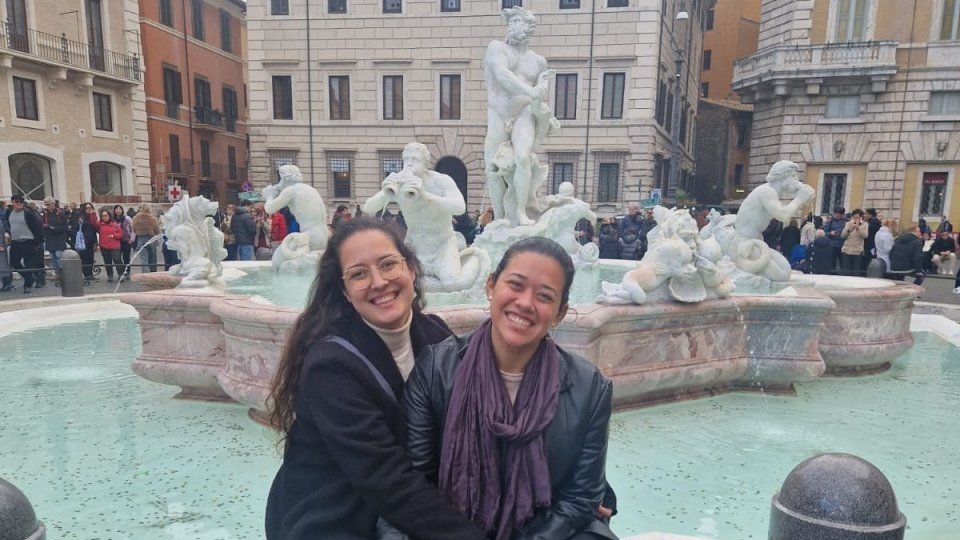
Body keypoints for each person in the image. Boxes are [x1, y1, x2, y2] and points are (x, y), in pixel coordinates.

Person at [264, 217, 487, 540]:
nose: (379, 282)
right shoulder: (330, 366)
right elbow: (385, 478)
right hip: (335, 516)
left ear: (411, 268)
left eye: (388, 264)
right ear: (344, 291)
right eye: (359, 274)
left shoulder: (435, 334)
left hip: (404, 506)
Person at [398, 237, 617, 540]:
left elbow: (579, 499)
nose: (525, 303)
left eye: (544, 296)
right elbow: (415, 480)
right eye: (515, 285)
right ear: (491, 285)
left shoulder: (590, 387)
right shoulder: (436, 369)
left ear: (560, 313)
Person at [483, 7, 558, 226]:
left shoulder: (538, 62)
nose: (512, 26)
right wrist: (532, 91)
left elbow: (538, 97)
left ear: (529, 27)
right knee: (493, 167)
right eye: (511, 22)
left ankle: (520, 212)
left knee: (523, 157)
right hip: (498, 112)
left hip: (524, 111)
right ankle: (499, 217)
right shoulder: (497, 48)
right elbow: (502, 75)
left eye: (517, 21)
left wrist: (544, 113)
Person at [5, 194, 44, 293]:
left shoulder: (28, 213)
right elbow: (8, 225)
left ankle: (27, 285)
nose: (19, 204)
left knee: (29, 264)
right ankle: (29, 277)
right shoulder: (9, 212)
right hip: (15, 241)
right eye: (16, 202)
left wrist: (37, 242)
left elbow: (37, 227)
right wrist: (8, 233)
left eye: (21, 202)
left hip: (28, 241)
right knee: (14, 262)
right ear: (12, 202)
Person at [41, 197, 69, 281]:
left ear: (53, 204)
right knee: (52, 257)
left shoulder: (60, 213)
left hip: (59, 237)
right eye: (46, 205)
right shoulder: (45, 213)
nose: (47, 206)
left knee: (59, 256)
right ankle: (57, 274)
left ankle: (64, 273)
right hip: (49, 237)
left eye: (48, 204)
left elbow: (65, 227)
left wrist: (51, 227)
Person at [131, 204, 161, 272]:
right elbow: (157, 231)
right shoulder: (152, 218)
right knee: (153, 257)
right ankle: (153, 273)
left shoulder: (136, 218)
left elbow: (134, 230)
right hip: (151, 238)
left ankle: (145, 272)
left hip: (140, 238)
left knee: (143, 258)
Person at [96, 210, 124, 282]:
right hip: (104, 246)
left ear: (109, 216)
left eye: (106, 216)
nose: (104, 217)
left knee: (117, 260)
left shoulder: (115, 224)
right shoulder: (100, 225)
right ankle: (110, 275)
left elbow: (121, 234)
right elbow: (93, 224)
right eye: (103, 216)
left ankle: (121, 274)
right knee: (107, 261)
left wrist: (114, 235)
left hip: (115, 246)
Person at [840, 209, 868, 276]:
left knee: (856, 271)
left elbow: (865, 236)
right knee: (846, 271)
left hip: (857, 250)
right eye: (854, 217)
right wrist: (850, 229)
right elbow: (842, 236)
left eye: (857, 217)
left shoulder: (865, 224)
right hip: (846, 250)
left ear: (861, 217)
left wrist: (858, 228)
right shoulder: (848, 224)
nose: (855, 219)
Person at [113, 204, 135, 272]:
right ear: (114, 211)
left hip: (126, 240)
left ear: (122, 210)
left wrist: (131, 239)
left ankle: (127, 272)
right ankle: (121, 271)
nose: (118, 210)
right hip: (116, 240)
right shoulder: (113, 219)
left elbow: (133, 229)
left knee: (126, 258)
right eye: (116, 209)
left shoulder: (127, 218)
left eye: (120, 209)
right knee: (117, 258)